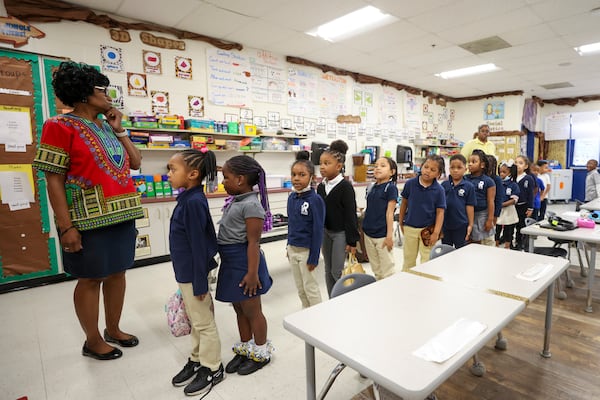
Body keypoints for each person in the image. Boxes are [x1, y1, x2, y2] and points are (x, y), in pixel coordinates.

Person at [32, 61, 144, 360]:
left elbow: (135, 162)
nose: (108, 95)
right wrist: (66, 226)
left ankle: (114, 329)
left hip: (123, 214)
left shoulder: (107, 126)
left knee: (118, 273)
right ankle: (92, 340)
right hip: (87, 219)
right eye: (101, 90)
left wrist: (119, 130)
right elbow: (52, 178)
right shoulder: (58, 125)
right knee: (91, 278)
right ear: (83, 94)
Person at [167, 149, 224, 395]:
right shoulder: (187, 198)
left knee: (203, 322)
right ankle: (198, 358)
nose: (168, 174)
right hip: (186, 272)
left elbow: (199, 245)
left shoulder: (193, 203)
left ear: (192, 174)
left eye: (172, 169)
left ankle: (213, 366)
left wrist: (200, 281)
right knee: (196, 320)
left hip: (194, 274)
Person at [217, 155, 274, 376]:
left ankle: (261, 352)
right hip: (231, 262)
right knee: (239, 308)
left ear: (240, 179)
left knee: (252, 310)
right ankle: (246, 347)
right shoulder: (237, 201)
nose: (223, 182)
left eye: (226, 177)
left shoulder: (251, 205)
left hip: (245, 262)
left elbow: (253, 243)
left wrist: (252, 274)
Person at [317, 140, 359, 296]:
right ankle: (332, 298)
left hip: (340, 233)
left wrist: (352, 240)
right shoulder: (321, 186)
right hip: (325, 232)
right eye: (321, 163)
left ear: (339, 166)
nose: (322, 167)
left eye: (327, 163)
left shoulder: (345, 187)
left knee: (337, 271)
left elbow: (350, 214)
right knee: (327, 270)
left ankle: (341, 299)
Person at [286, 151, 325, 308]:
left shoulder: (315, 200)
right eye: (294, 174)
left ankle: (317, 316)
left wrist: (314, 257)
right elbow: (291, 224)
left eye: (301, 175)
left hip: (306, 251)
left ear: (312, 178)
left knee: (310, 287)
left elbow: (318, 230)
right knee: (300, 288)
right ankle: (305, 313)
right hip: (292, 249)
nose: (296, 178)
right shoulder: (291, 198)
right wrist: (288, 245)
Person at [398, 155, 446, 270]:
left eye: (433, 170)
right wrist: (401, 221)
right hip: (410, 227)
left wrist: (436, 233)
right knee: (409, 259)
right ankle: (407, 281)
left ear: (438, 174)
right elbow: (404, 203)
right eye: (426, 167)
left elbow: (440, 212)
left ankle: (424, 283)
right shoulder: (410, 184)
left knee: (426, 260)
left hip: (428, 230)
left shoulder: (439, 190)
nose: (428, 171)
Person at [362, 157, 399, 280]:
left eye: (383, 165)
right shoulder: (371, 187)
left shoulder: (391, 188)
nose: (377, 168)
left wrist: (389, 236)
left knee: (387, 269)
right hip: (368, 233)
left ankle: (389, 294)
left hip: (383, 234)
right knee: (376, 269)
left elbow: (390, 213)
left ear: (392, 172)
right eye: (376, 165)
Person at [441, 154, 475, 249]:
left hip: (461, 225)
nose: (455, 170)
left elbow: (470, 206)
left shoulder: (469, 186)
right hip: (445, 225)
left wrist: (470, 225)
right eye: (452, 167)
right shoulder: (444, 185)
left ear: (465, 169)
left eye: (459, 167)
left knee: (461, 250)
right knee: (446, 250)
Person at [465, 150, 496, 244]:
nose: (470, 164)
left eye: (473, 162)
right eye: (468, 162)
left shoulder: (488, 181)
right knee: (469, 240)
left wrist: (490, 220)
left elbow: (491, 201)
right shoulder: (465, 178)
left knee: (481, 241)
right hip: (466, 214)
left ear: (482, 165)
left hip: (481, 215)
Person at [496, 160, 520, 249]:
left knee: (508, 230)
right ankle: (496, 245)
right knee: (497, 229)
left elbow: (514, 199)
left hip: (509, 210)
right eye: (500, 172)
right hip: (498, 209)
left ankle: (507, 246)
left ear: (510, 172)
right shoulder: (497, 183)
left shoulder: (513, 185)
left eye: (504, 172)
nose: (501, 174)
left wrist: (503, 204)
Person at [514, 155, 536, 251]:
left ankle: (520, 243)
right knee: (511, 226)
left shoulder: (528, 178)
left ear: (526, 166)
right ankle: (510, 242)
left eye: (520, 163)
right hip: (512, 206)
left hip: (523, 206)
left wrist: (530, 207)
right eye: (516, 162)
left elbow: (530, 194)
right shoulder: (511, 177)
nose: (517, 165)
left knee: (521, 226)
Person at [483, 155, 503, 246]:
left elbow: (499, 199)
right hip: (480, 214)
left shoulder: (496, 179)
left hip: (491, 212)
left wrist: (495, 216)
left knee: (489, 238)